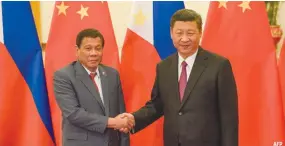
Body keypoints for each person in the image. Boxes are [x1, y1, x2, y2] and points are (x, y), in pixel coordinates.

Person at [121, 9, 238, 146]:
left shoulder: (219, 65)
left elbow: (229, 117)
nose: (184, 39)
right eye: (179, 33)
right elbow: (157, 105)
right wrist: (133, 119)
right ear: (171, 33)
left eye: (190, 33)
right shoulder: (164, 67)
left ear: (200, 33)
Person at [53, 28, 131, 146]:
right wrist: (113, 122)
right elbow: (74, 114)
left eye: (98, 48)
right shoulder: (64, 76)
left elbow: (121, 113)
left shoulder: (112, 75)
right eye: (88, 48)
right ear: (77, 50)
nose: (94, 53)